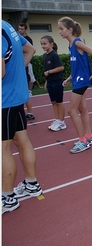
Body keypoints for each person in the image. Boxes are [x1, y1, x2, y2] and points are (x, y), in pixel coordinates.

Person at [2, 20, 43, 214]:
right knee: (21, 141)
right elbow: (30, 50)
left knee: (2, 148)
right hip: (16, 96)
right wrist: (16, 73)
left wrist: (10, 74)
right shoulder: (6, 26)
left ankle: (7, 198)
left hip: (4, 99)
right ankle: (31, 184)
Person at [58, 16, 92, 154]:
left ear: (70, 30)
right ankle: (88, 136)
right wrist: (70, 78)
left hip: (82, 81)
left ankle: (82, 141)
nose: (59, 32)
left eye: (61, 29)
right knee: (82, 108)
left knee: (71, 110)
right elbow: (78, 66)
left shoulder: (77, 43)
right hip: (76, 80)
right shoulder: (70, 45)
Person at [40, 35, 67, 131]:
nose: (43, 46)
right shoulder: (45, 55)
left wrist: (49, 72)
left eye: (45, 44)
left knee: (59, 102)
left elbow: (61, 67)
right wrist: (47, 81)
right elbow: (46, 70)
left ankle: (62, 121)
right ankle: (57, 119)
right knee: (53, 102)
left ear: (51, 44)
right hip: (50, 82)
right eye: (41, 44)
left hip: (57, 81)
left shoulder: (54, 55)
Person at [18, 22, 36, 120]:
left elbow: (31, 50)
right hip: (18, 64)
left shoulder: (27, 40)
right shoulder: (16, 38)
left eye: (21, 29)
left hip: (25, 64)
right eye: (19, 29)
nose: (20, 30)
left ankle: (30, 112)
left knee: (28, 82)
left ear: (25, 29)